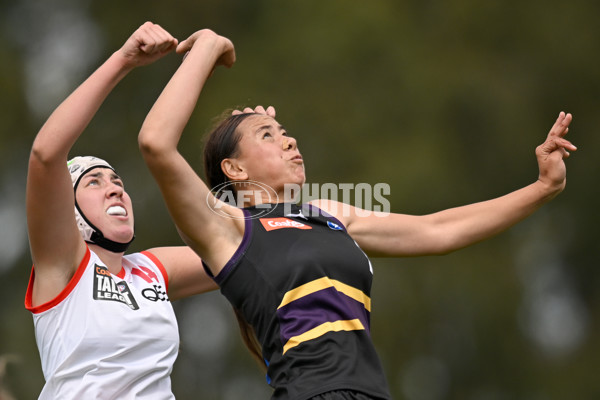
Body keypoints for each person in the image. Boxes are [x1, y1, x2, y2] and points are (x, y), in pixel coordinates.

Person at [137, 28, 577, 400]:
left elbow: (438, 230)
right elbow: (156, 142)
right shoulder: (229, 229)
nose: (290, 142)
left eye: (287, 133)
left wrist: (541, 189)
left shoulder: (326, 215)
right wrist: (208, 48)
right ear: (233, 169)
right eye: (268, 136)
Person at [25, 22, 217, 399]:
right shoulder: (63, 265)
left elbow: (243, 246)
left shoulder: (150, 270)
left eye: (118, 182)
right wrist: (124, 60)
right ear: (70, 210)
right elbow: (45, 156)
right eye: (93, 182)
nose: (115, 188)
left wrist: (207, 49)